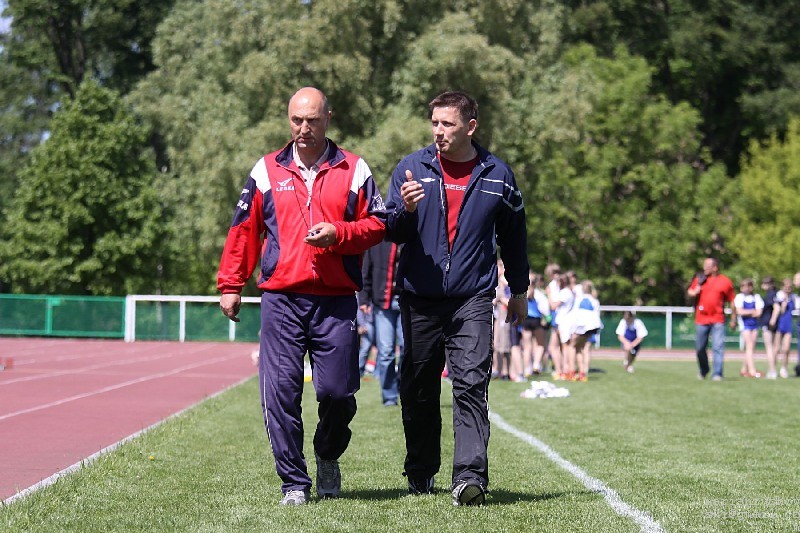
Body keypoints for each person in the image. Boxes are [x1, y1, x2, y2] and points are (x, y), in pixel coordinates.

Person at [217, 87, 386, 505]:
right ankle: (294, 482)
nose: (304, 128)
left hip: (336, 302)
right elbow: (243, 229)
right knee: (280, 394)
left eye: (312, 119)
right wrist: (231, 284)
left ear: (328, 117)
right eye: (297, 120)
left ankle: (327, 454)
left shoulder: (355, 168)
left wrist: (338, 233)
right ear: (288, 119)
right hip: (282, 300)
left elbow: (378, 224)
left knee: (337, 394)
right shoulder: (265, 170)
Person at [384, 90, 529, 506]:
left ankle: (469, 477)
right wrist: (405, 210)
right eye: (434, 122)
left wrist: (519, 290)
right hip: (420, 298)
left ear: (470, 126)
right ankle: (420, 470)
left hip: (473, 299)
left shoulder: (498, 175)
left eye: (447, 124)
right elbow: (390, 230)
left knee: (470, 383)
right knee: (418, 389)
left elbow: (515, 238)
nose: (438, 131)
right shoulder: (411, 169)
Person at [358, 239, 404, 405]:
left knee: (407, 349)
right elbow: (366, 271)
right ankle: (390, 397)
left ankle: (403, 388)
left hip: (407, 301)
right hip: (382, 303)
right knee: (385, 352)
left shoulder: (409, 237)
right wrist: (364, 299)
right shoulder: (376, 242)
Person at [687, 258, 737, 381]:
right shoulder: (700, 279)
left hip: (718, 319)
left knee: (718, 347)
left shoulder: (725, 281)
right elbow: (690, 292)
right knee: (700, 348)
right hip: (701, 319)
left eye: (707, 265)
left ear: (715, 268)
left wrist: (733, 319)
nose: (704, 268)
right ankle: (704, 370)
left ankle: (717, 373)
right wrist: (694, 292)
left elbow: (732, 301)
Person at [734, 278, 764, 378]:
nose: (746, 288)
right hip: (744, 325)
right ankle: (752, 370)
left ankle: (744, 369)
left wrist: (748, 312)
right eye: (744, 286)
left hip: (754, 325)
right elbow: (740, 311)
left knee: (751, 347)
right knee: (749, 346)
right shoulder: (739, 297)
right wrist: (751, 311)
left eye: (748, 286)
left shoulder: (756, 297)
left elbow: (759, 312)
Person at [773, 278, 796, 379]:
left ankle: (784, 368)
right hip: (779, 325)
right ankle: (773, 368)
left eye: (790, 287)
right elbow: (779, 312)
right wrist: (783, 303)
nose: (788, 289)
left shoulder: (794, 297)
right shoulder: (778, 297)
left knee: (786, 349)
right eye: (786, 287)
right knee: (776, 349)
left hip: (788, 325)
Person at [758, 277, 779, 379]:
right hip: (772, 323)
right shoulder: (774, 294)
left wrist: (773, 320)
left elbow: (777, 308)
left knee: (769, 348)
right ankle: (772, 370)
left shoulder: (771, 295)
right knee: (774, 348)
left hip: (768, 323)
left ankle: (772, 370)